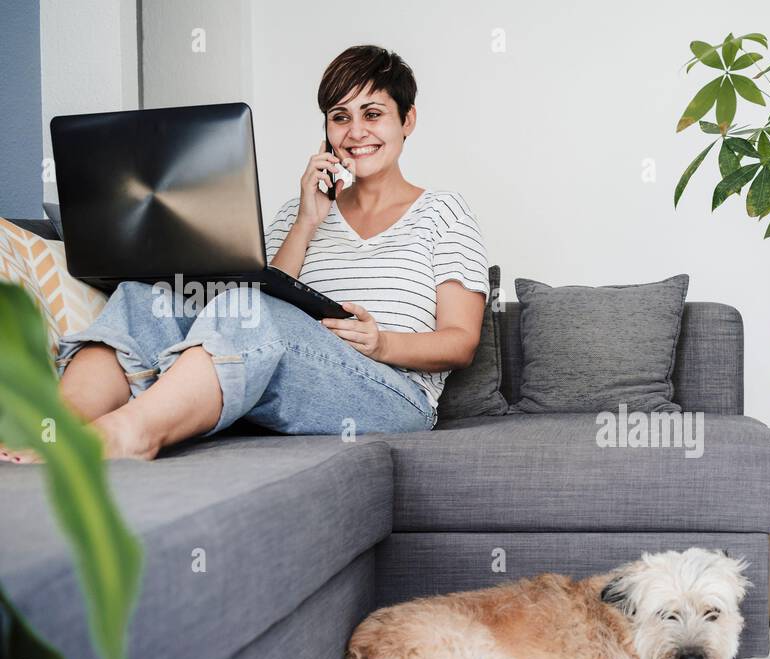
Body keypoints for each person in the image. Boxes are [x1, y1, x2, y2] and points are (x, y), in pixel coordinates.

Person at [1, 45, 486, 462]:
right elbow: (265, 291)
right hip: (289, 367)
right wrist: (308, 220)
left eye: (372, 114)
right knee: (140, 297)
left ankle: (130, 434)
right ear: (327, 132)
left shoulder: (443, 212)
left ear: (408, 120)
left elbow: (460, 341)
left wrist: (381, 344)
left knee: (249, 311)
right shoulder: (298, 213)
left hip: (393, 391)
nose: (355, 131)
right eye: (341, 117)